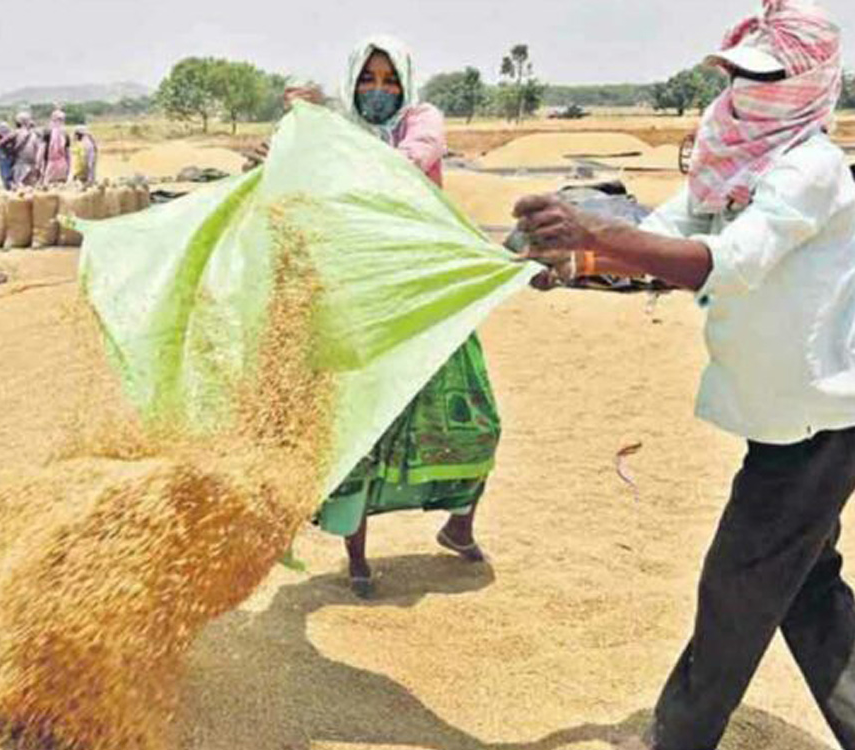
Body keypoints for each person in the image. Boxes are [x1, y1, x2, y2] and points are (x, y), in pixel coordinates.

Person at [514, 2, 855, 747]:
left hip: (821, 418)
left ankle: (679, 736)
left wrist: (599, 231)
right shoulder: (731, 158)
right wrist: (580, 264)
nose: (744, 92)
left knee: (738, 583)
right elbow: (670, 235)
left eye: (765, 79)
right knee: (802, 585)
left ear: (810, 84)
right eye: (737, 74)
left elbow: (730, 262)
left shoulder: (811, 169)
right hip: (784, 412)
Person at [273, 36, 492, 599]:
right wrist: (304, 129)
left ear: (406, 83)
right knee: (362, 429)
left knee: (476, 419)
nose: (378, 90)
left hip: (427, 296)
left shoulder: (421, 120)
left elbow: (417, 157)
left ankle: (458, 524)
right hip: (361, 299)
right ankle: (358, 558)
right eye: (368, 80)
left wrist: (332, 142)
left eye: (388, 80)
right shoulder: (339, 132)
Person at [8, 112, 43, 187]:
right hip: (32, 167)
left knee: (20, 191)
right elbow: (39, 151)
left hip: (20, 166)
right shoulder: (35, 134)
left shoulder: (16, 133)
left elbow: (4, 144)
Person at [41, 109, 72, 184]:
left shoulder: (47, 133)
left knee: (48, 188)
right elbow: (68, 154)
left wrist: (39, 166)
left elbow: (41, 151)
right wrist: (68, 168)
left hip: (49, 165)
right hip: (62, 165)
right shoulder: (65, 134)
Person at [0, 122, 16, 189]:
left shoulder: (3, 144)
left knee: (6, 177)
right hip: (8, 162)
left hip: (6, 162)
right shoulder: (10, 142)